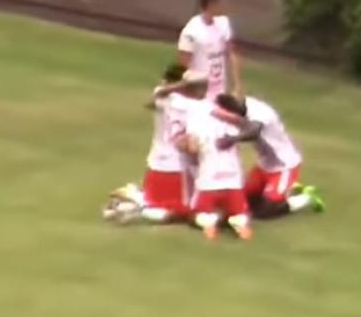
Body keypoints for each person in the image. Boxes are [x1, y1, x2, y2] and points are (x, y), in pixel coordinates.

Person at [108, 66, 212, 224]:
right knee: (186, 211)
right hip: (178, 170)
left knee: (164, 204)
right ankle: (136, 205)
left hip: (155, 166)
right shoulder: (193, 106)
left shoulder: (163, 98)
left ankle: (137, 197)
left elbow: (154, 97)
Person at [215, 94, 326, 218]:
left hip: (284, 165)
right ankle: (287, 188)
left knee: (266, 210)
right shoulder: (241, 109)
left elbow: (254, 132)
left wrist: (232, 139)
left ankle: (306, 197)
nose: (229, 110)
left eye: (229, 107)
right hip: (264, 165)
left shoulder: (260, 112)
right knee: (242, 198)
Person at [181, 104, 263, 241]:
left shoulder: (197, 120)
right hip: (233, 181)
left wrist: (184, 144)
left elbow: (192, 148)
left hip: (209, 183)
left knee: (196, 214)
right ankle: (240, 224)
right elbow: (253, 130)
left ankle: (209, 223)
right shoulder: (234, 123)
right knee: (239, 213)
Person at [178, 0, 242, 101]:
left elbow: (231, 53)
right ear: (211, 5)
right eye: (220, 5)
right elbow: (183, 64)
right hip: (199, 90)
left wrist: (237, 86)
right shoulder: (192, 31)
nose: (224, 8)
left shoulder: (223, 23)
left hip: (219, 88)